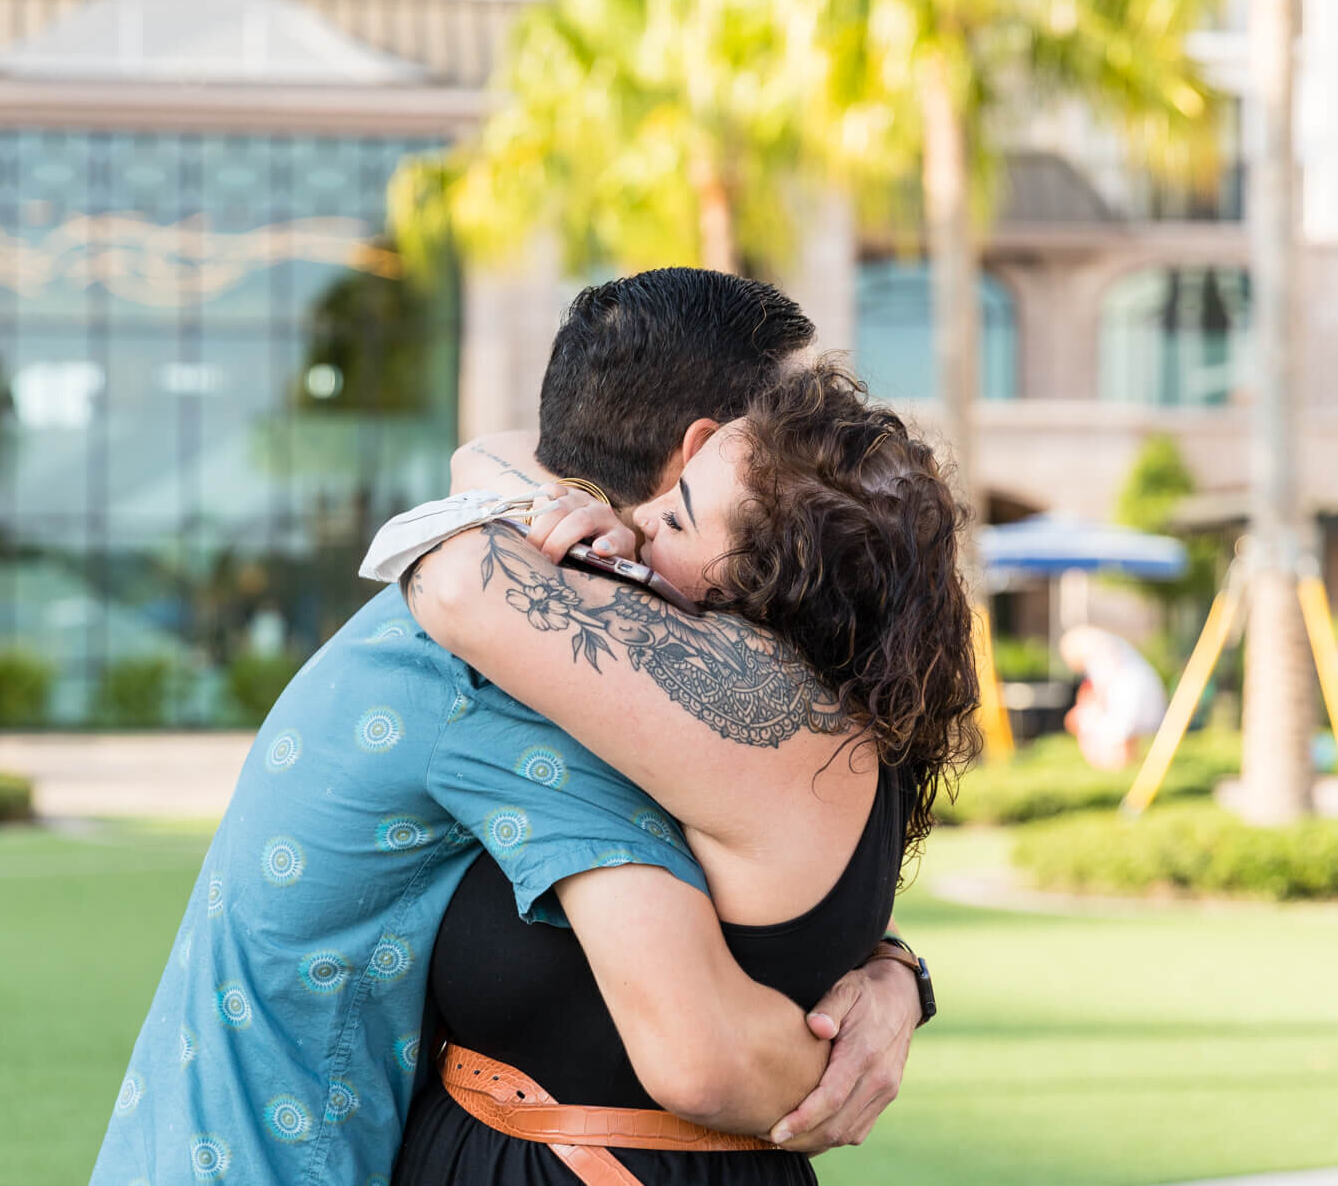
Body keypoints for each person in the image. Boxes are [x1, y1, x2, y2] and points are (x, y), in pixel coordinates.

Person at [89, 271, 926, 1186]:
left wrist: (891, 968)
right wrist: (854, 1049)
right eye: (784, 424)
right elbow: (707, 1052)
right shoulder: (529, 663)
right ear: (704, 449)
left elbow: (490, 453)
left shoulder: (532, 611)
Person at [396, 359, 976, 1184]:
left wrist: (561, 526)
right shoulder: (811, 733)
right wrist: (897, 969)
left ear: (767, 597)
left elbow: (454, 578)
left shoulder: (774, 727)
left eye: (678, 517)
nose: (635, 521)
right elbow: (487, 452)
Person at [1059, 626, 1165, 770]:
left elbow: (1103, 685)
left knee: (1113, 729)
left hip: (1128, 694)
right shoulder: (1107, 644)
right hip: (1140, 689)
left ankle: (1117, 763)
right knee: (1123, 730)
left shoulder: (1096, 651)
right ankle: (1128, 763)